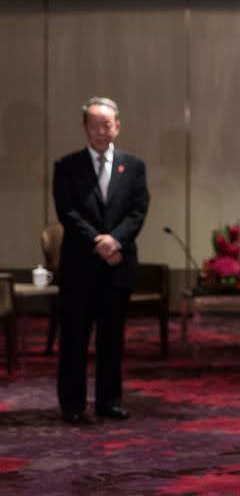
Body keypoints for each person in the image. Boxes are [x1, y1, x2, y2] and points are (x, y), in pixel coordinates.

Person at [53, 97, 149, 424]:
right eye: (94, 124)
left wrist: (115, 240)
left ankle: (109, 401)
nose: (100, 130)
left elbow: (138, 211)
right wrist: (98, 241)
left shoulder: (134, 167)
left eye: (106, 124)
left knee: (112, 340)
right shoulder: (66, 167)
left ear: (117, 126)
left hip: (117, 267)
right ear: (84, 128)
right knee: (74, 340)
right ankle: (72, 405)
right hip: (79, 267)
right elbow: (67, 212)